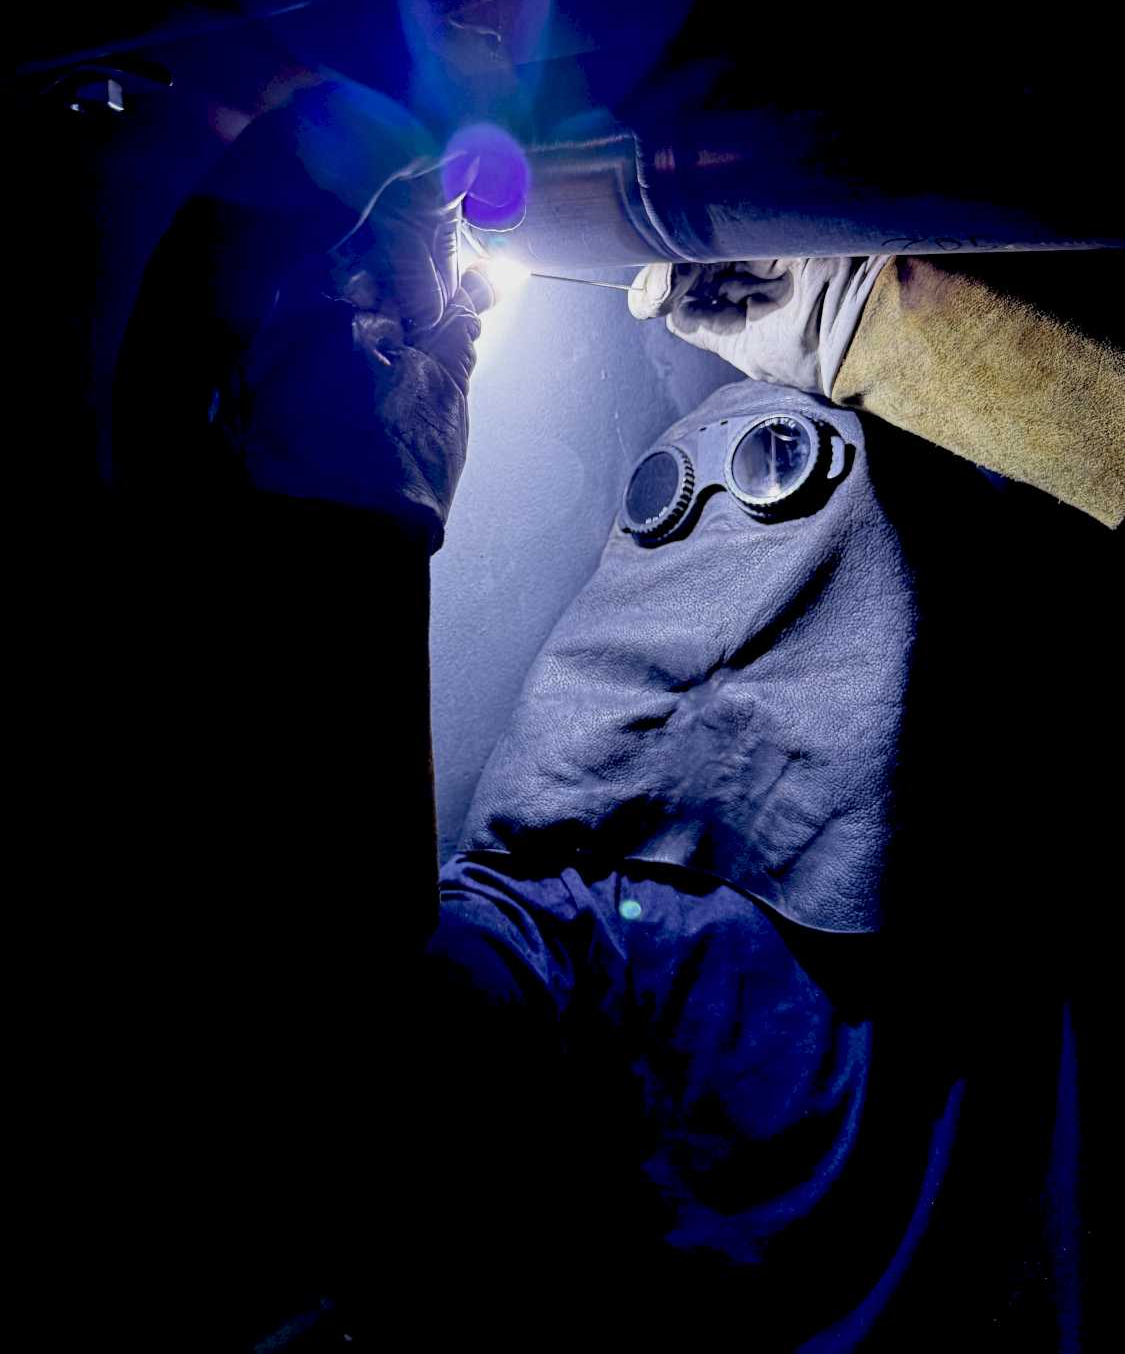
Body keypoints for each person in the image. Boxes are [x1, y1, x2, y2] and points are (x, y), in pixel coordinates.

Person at [109, 82, 1121, 1349]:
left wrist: (321, 484)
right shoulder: (587, 944)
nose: (724, 513)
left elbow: (317, 1063)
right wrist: (870, 329)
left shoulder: (591, 942)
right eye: (670, 505)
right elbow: (336, 1070)